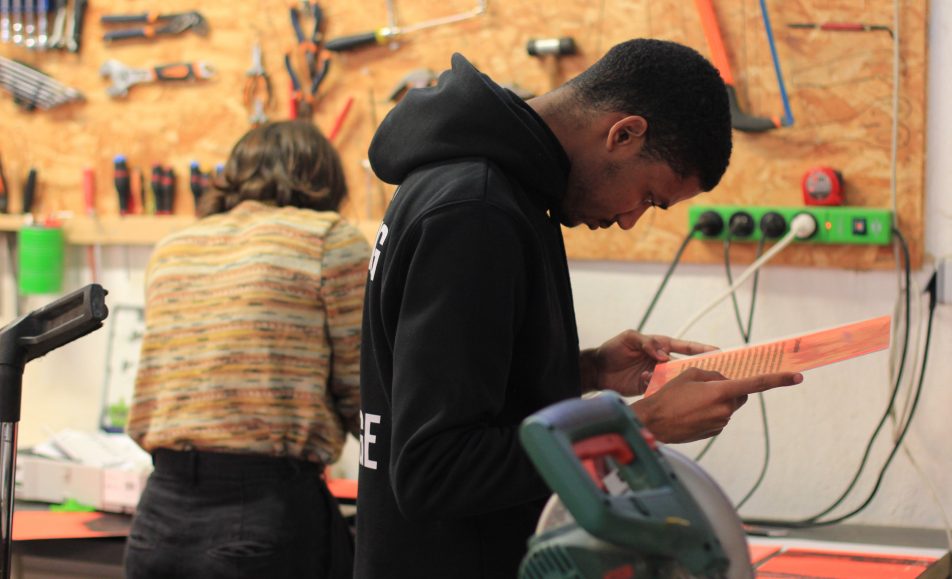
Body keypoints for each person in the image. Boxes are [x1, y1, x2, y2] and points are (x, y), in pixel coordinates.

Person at [355, 39, 803, 578]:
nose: (631, 219)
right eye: (648, 197)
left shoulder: (490, 190)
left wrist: (587, 369)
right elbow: (436, 470)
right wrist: (642, 425)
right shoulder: (475, 211)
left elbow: (464, 389)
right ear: (624, 133)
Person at [124, 121, 369, 579]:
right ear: (326, 179)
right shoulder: (328, 240)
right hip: (261, 509)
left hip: (158, 512)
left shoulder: (174, 248)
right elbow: (365, 393)